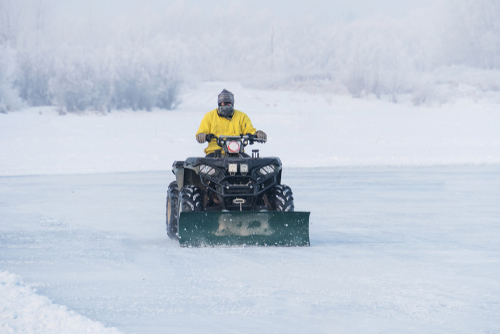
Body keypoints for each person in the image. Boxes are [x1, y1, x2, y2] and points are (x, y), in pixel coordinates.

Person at [196, 89, 267, 157]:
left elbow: (249, 129)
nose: (226, 106)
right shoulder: (209, 116)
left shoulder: (241, 116)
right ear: (219, 104)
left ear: (232, 104)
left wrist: (256, 134)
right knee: (205, 167)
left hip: (237, 152)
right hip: (215, 152)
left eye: (229, 103)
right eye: (224, 103)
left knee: (251, 165)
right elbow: (203, 129)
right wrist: (201, 135)